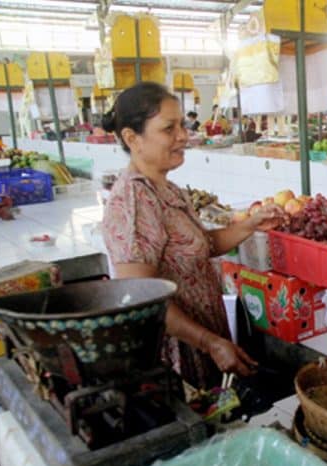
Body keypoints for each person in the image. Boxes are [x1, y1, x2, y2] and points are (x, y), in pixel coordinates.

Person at [101, 82, 284, 390]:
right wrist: (208, 342)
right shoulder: (133, 203)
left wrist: (250, 225)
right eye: (169, 128)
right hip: (174, 356)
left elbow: (203, 245)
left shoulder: (167, 188)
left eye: (182, 125)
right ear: (133, 139)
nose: (183, 136)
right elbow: (143, 296)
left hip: (203, 339)